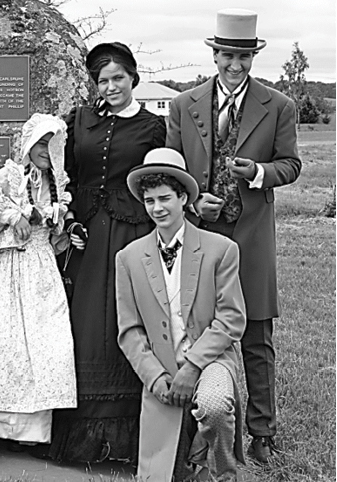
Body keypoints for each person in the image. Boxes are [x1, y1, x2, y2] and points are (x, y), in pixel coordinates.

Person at [166, 8, 302, 463]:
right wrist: (192, 201)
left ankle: (262, 433)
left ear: (253, 57)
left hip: (251, 238)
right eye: (228, 55)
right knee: (193, 327)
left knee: (257, 335)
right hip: (200, 235)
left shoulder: (280, 105)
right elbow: (173, 168)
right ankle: (192, 426)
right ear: (215, 54)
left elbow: (292, 164)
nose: (235, 65)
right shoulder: (183, 105)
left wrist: (261, 172)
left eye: (244, 57)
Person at [50, 42, 167, 463]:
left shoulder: (152, 126)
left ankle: (129, 437)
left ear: (133, 78)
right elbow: (66, 177)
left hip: (130, 232)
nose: (112, 86)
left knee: (127, 318)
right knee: (84, 321)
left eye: (119, 78)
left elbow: (157, 181)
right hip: (85, 237)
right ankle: (79, 434)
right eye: (103, 80)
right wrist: (67, 222)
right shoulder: (79, 121)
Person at [116, 147, 246, 482]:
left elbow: (231, 319)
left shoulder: (221, 250)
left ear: (184, 197)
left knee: (215, 405)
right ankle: (188, 461)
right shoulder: (128, 258)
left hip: (212, 358)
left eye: (165, 198)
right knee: (164, 474)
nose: (157, 208)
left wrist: (193, 367)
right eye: (149, 201)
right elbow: (129, 330)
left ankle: (223, 472)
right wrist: (155, 377)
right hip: (161, 365)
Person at [0, 114, 77, 450]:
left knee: (47, 341)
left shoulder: (59, 184)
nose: (47, 150)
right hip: (6, 267)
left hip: (41, 269)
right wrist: (10, 215)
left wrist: (64, 232)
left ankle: (35, 431)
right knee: (6, 343)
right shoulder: (7, 176)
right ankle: (0, 428)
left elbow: (55, 233)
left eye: (53, 144)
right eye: (41, 143)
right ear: (28, 144)